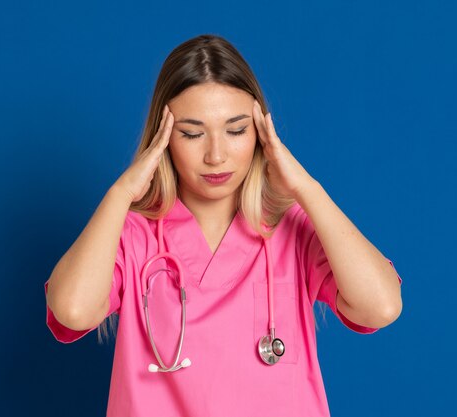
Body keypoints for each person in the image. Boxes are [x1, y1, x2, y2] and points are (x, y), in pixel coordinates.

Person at [44, 33, 403, 417]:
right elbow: (72, 311)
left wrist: (305, 188)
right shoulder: (133, 236)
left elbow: (380, 307)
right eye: (192, 133)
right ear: (163, 140)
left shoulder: (293, 230)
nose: (216, 155)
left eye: (235, 130)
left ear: (262, 134)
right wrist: (119, 194)